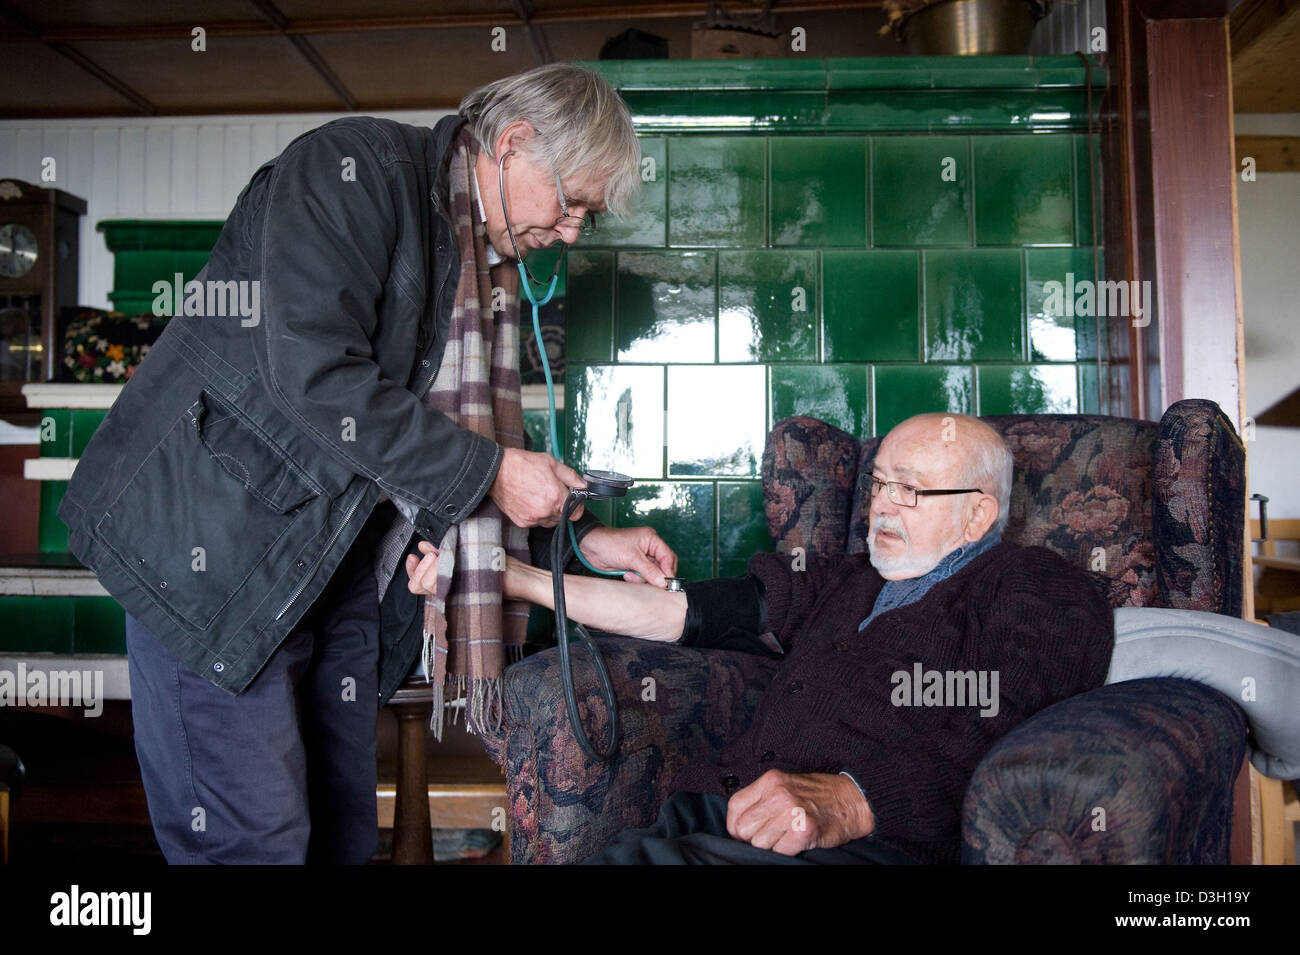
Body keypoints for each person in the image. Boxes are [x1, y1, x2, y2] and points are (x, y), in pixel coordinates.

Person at [57, 64, 676, 864]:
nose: (571, 232)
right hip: (212, 555)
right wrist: (494, 471)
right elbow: (316, 374)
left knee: (342, 835)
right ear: (513, 144)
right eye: (571, 203)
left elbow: (452, 439)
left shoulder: (474, 257)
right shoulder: (349, 171)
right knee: (255, 844)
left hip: (335, 569)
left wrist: (584, 543)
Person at [440, 412, 1115, 864]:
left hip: (862, 840)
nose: (880, 505)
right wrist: (513, 577)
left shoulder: (1033, 586)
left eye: (909, 491)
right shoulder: (845, 577)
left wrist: (855, 798)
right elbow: (681, 612)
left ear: (977, 515)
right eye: (879, 484)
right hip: (723, 807)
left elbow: (1015, 718)